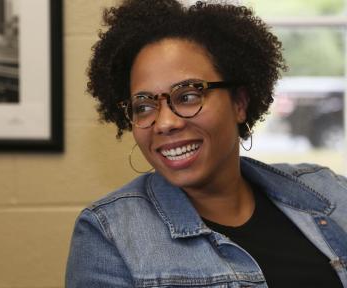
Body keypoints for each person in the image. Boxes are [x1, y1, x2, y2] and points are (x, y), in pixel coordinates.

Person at [65, 1, 347, 287]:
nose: (164, 123)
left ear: (239, 103)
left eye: (187, 96)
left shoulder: (329, 192)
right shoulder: (109, 233)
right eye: (144, 106)